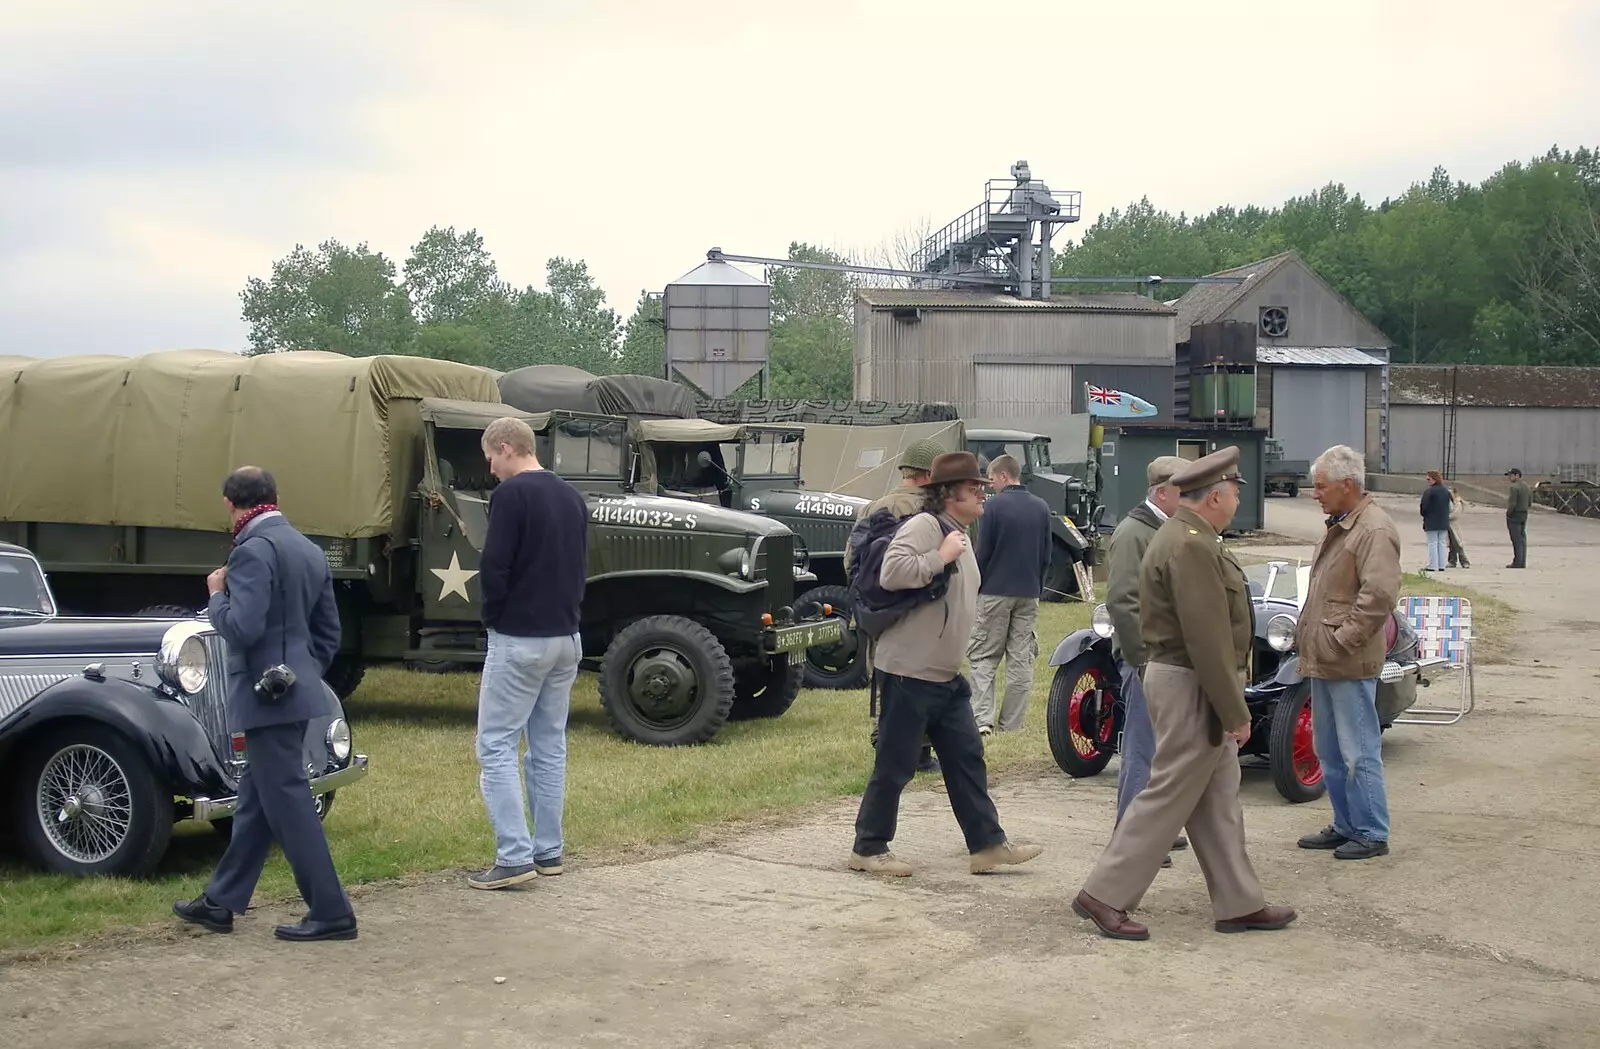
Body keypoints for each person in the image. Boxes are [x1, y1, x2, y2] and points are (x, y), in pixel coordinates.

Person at [1072, 447, 1295, 940]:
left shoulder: (1190, 536)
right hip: (1192, 682)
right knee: (1168, 792)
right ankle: (1105, 894)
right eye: (1235, 491)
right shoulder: (1191, 544)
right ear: (1215, 496)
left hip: (1191, 679)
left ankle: (1239, 902)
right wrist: (1235, 711)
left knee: (1217, 799)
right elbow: (1207, 638)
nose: (1237, 499)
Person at [173, 466, 356, 941]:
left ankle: (332, 911)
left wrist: (216, 595)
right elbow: (328, 633)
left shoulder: (252, 552)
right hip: (293, 692)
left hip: (264, 697)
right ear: (275, 497)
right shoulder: (307, 548)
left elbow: (242, 627)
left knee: (291, 804)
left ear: (231, 505)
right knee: (256, 802)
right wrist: (300, 671)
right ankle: (220, 902)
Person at [848, 452, 1043, 878]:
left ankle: (988, 846)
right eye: (975, 490)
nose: (983, 497)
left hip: (944, 676)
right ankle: (868, 847)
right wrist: (940, 556)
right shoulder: (926, 526)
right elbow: (892, 573)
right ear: (950, 494)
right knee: (896, 765)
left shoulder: (960, 533)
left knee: (967, 758)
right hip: (908, 672)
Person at [468, 416, 589, 890]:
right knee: (548, 745)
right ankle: (549, 850)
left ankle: (514, 855)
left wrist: (491, 616)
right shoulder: (571, 496)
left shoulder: (510, 496)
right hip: (566, 636)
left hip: (520, 635)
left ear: (505, 447)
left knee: (495, 745)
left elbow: (495, 565)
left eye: (492, 459)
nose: (492, 470)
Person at [1295, 445, 1403, 861]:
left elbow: (1378, 597)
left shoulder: (1373, 530)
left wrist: (1341, 641)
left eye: (1320, 486)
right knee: (1330, 751)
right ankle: (1346, 824)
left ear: (1347, 485)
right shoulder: (1343, 524)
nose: (1314, 493)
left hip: (1348, 661)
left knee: (1358, 751)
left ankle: (1372, 831)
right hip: (1324, 658)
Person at [1102, 455, 1190, 869]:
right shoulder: (1134, 532)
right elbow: (1122, 601)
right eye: (1183, 491)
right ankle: (1132, 837)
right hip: (1146, 661)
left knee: (1160, 751)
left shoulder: (1159, 529)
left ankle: (1154, 830)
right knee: (1141, 749)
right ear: (1162, 492)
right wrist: (1143, 661)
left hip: (1160, 661)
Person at [852, 438, 945, 775]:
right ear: (929, 474)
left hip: (877, 610)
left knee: (882, 674)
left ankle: (884, 736)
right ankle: (919, 751)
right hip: (922, 607)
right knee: (925, 678)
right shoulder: (937, 512)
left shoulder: (873, 506)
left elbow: (852, 558)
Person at [967, 453, 1051, 736]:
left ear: (1004, 475)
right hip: (1028, 592)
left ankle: (982, 721)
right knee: (1020, 659)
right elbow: (1047, 555)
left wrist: (976, 584)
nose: (989, 486)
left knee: (983, 656)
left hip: (994, 591)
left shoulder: (992, 508)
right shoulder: (1041, 507)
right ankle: (1011, 725)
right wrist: (1036, 585)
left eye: (991, 479)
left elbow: (983, 551)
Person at [1419, 471, 1451, 572]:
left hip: (1432, 521)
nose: (1427, 481)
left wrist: (1425, 515)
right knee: (1441, 542)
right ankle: (1441, 565)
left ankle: (1433, 565)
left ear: (1434, 479)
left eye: (1428, 479)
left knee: (1432, 542)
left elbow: (1424, 507)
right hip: (1444, 520)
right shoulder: (1446, 491)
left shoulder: (1429, 492)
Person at [1504, 467, 1530, 568]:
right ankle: (1522, 561)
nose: (1510, 477)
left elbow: (1512, 503)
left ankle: (1517, 561)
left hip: (1515, 515)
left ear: (1517, 475)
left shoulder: (1514, 487)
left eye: (1511, 475)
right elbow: (1530, 501)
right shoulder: (1526, 486)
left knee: (1516, 539)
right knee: (1522, 538)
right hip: (1524, 513)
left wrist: (1508, 513)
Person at [1446, 486, 1471, 569]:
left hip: (1454, 526)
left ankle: (1464, 561)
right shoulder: (1449, 502)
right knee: (1451, 545)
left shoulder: (1457, 503)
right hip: (1448, 526)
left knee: (1458, 544)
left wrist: (1445, 517)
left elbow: (1455, 514)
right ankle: (1452, 561)